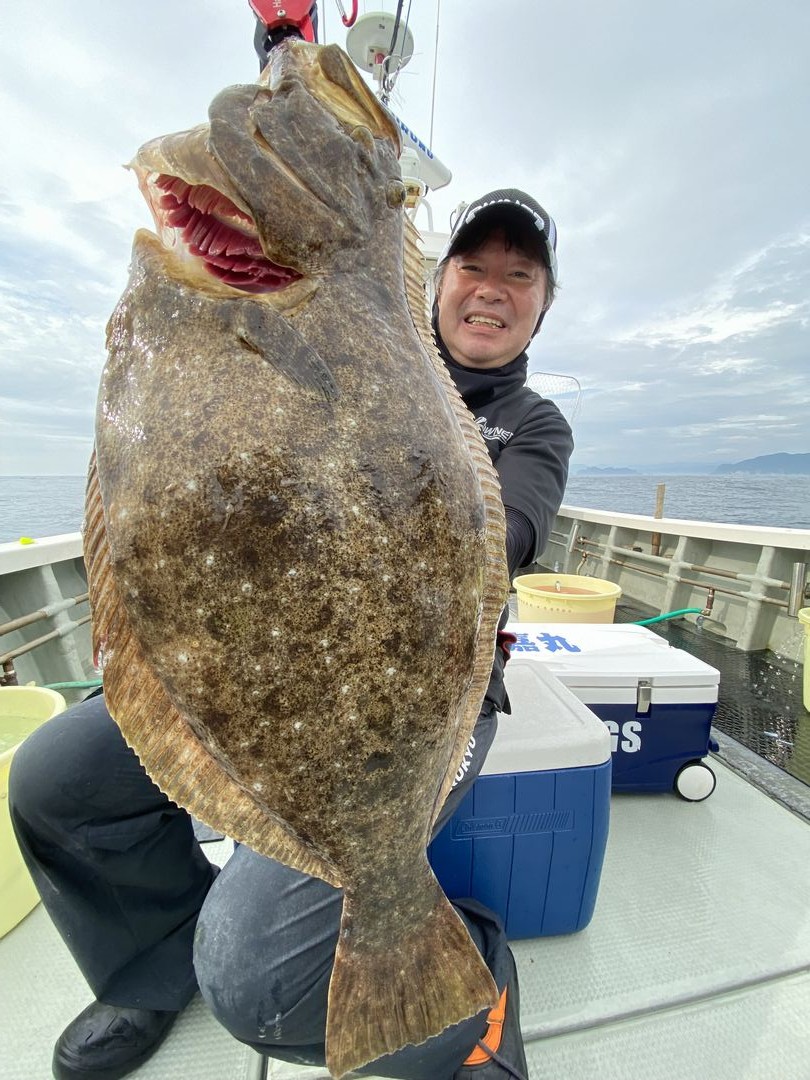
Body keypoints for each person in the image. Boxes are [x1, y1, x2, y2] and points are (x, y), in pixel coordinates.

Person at [9, 188, 573, 1080]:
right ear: (433, 280)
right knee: (56, 782)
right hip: (251, 670)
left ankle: (469, 979)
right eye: (473, 266)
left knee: (258, 983)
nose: (492, 289)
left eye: (520, 275)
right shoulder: (329, 350)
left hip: (423, 712)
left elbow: (512, 536)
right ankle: (149, 966)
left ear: (544, 303)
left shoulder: (532, 427)